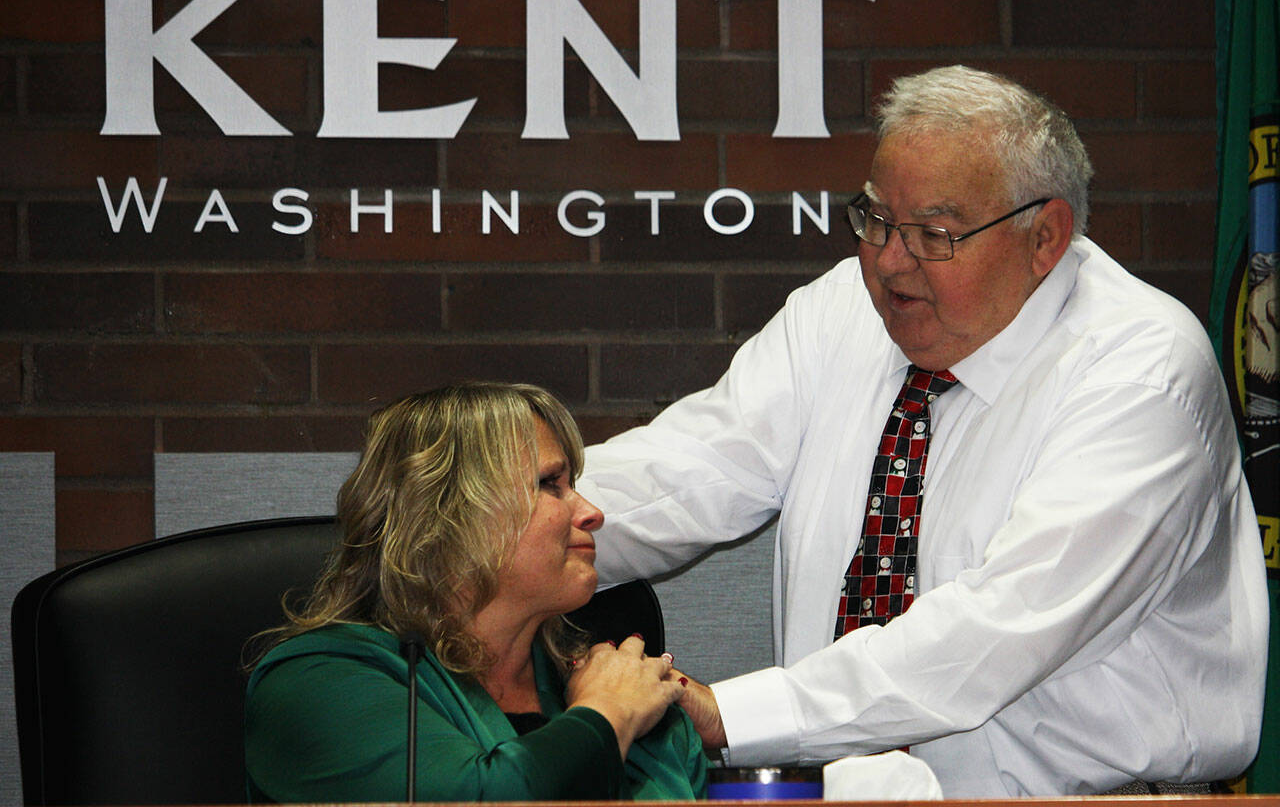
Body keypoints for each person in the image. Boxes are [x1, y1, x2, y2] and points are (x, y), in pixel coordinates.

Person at [578, 65, 1269, 796]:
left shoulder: (1140, 371)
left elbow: (994, 633)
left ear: (1045, 238)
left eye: (934, 234)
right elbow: (690, 470)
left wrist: (730, 713)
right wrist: (500, 523)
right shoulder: (844, 310)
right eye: (876, 220)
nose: (888, 261)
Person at [245, 382, 707, 802]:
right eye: (551, 484)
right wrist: (608, 713)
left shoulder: (627, 692)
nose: (592, 513)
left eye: (575, 486)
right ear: (448, 516)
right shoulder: (316, 685)